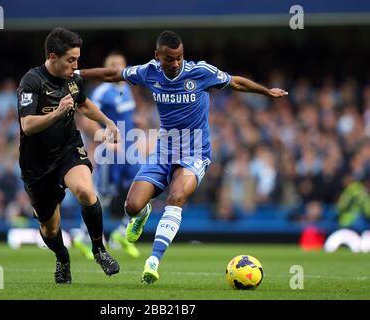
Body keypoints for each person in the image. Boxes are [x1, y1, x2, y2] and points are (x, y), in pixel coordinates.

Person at [79, 30, 288, 284]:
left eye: (179, 57)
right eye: (169, 59)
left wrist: (267, 92)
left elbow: (235, 82)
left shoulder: (201, 72)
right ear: (157, 56)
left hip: (195, 152)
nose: (175, 63)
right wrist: (78, 74)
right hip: (163, 151)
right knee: (131, 207)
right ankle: (143, 213)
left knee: (176, 196)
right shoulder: (149, 72)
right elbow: (113, 74)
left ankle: (153, 260)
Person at [16, 27, 120, 284]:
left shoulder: (73, 79)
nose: (76, 65)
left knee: (86, 191)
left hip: (67, 149)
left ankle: (99, 250)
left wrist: (108, 122)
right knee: (50, 228)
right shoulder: (31, 81)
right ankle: (62, 257)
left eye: (77, 59)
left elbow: (83, 103)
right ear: (53, 57)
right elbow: (27, 125)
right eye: (70, 59)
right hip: (37, 163)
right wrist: (57, 113)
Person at [74, 51, 141, 258]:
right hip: (112, 152)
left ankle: (121, 232)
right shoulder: (102, 92)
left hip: (129, 151)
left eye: (118, 64)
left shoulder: (127, 89)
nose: (115, 68)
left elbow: (126, 118)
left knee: (143, 188)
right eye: (111, 64)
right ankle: (83, 235)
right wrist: (105, 140)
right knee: (103, 195)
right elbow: (87, 118)